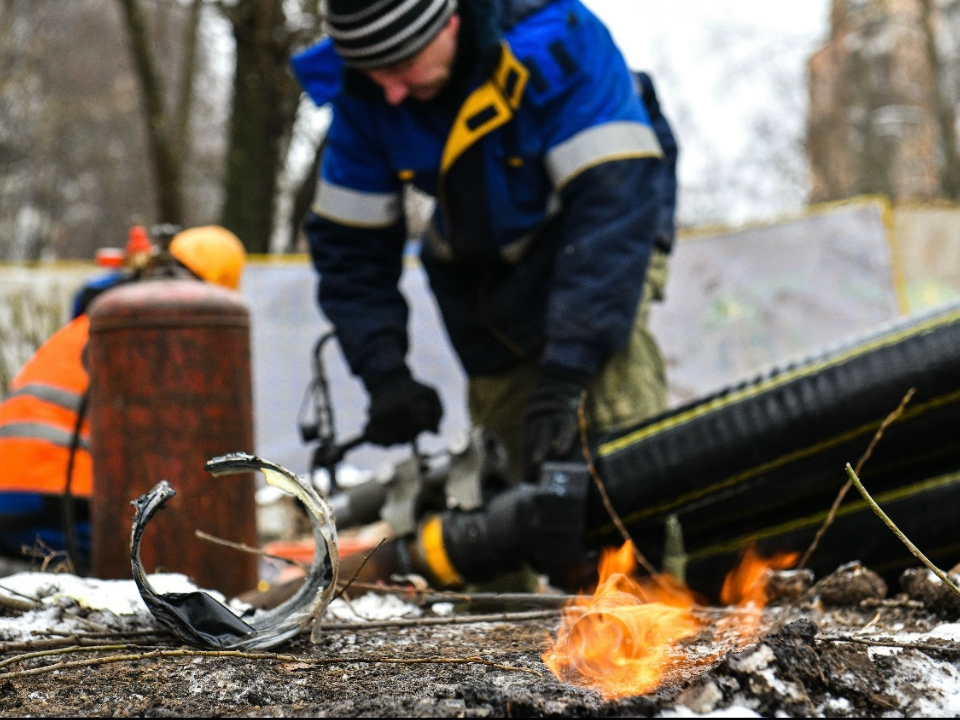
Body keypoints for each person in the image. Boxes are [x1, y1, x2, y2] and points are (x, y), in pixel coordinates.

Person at [290, 0, 678, 483]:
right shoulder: (367, 93)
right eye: (371, 71)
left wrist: (568, 373)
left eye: (400, 65)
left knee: (612, 434)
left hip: (606, 236)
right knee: (510, 459)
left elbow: (613, 208)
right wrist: (383, 372)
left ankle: (645, 547)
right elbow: (351, 247)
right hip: (486, 271)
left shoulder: (559, 41)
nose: (389, 92)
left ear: (449, 21)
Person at [0, 225, 247, 565]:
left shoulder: (93, 322)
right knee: (157, 571)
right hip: (60, 497)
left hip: (13, 492)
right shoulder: (157, 339)